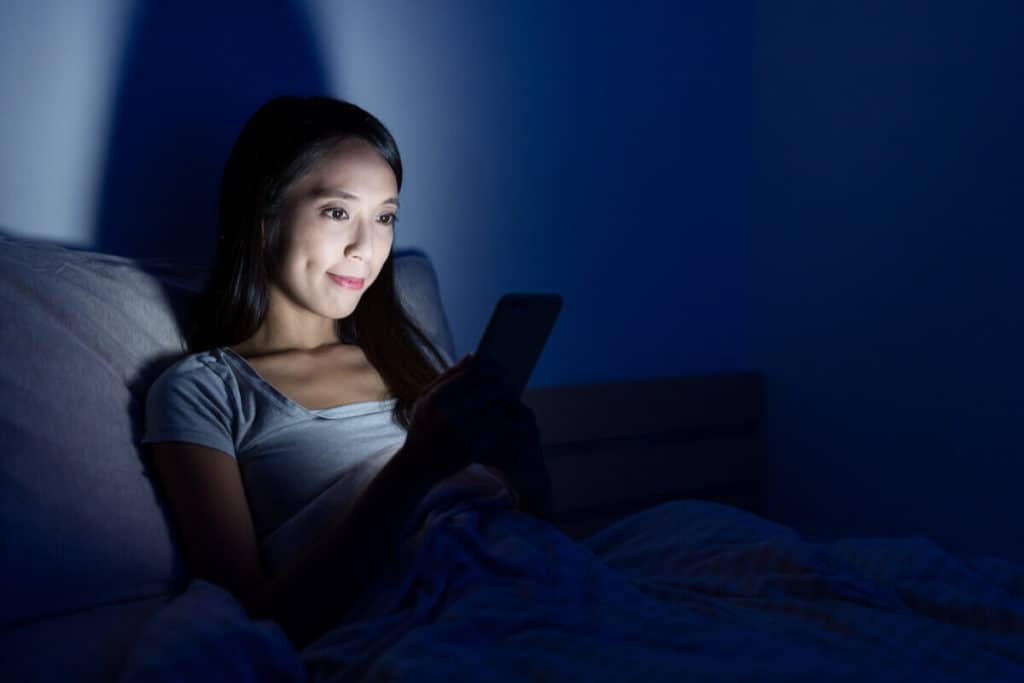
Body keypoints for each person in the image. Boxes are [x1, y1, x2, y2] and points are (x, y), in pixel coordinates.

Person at [141, 95, 553, 650]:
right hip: (423, 626)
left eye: (384, 217)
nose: (366, 247)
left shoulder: (407, 362)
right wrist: (416, 465)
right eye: (338, 212)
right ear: (263, 220)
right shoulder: (204, 390)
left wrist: (525, 463)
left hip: (528, 588)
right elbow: (250, 619)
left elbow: (532, 532)